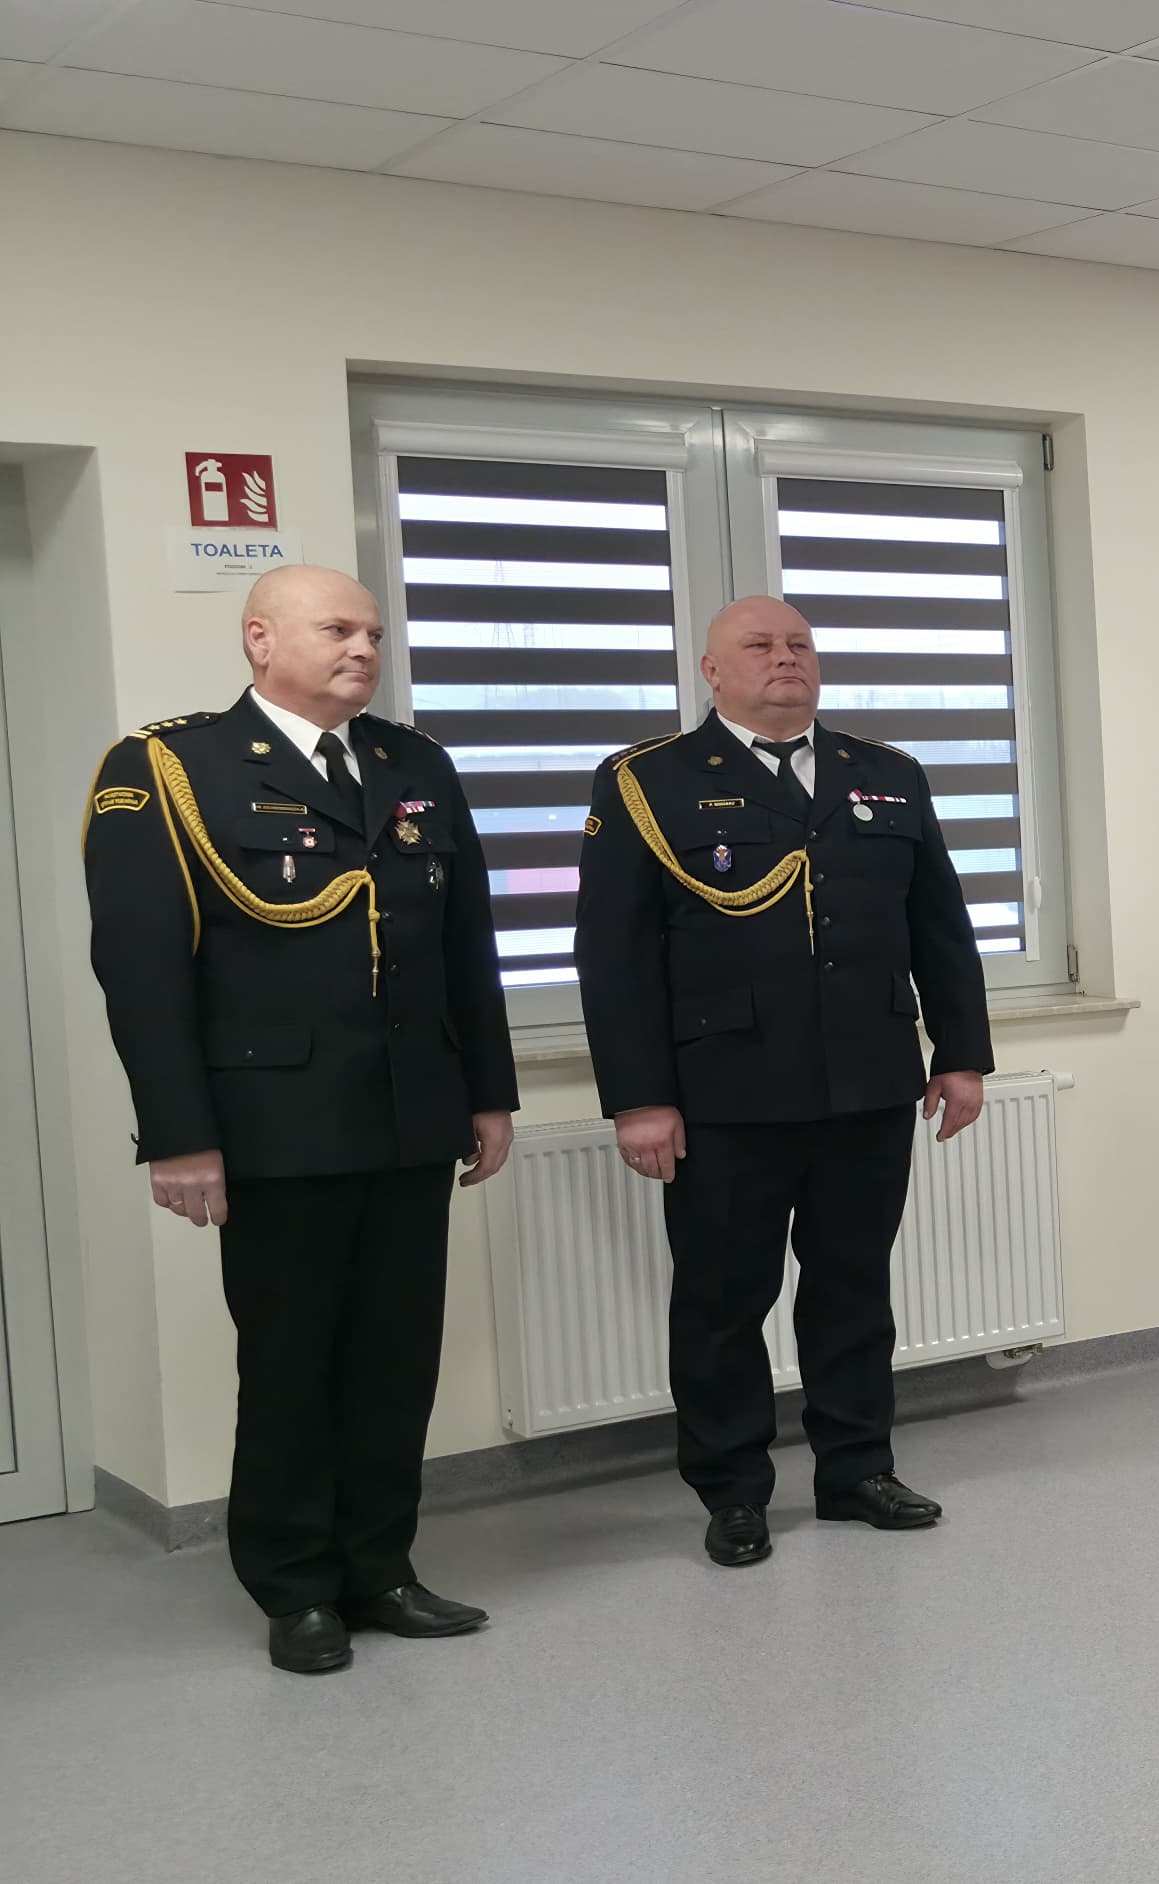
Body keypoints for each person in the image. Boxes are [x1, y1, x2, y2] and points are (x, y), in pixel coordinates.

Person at [82, 565, 515, 1673]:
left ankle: (381, 1569)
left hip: (411, 1115)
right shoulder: (168, 769)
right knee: (289, 1362)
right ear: (260, 640)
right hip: (275, 1124)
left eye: (372, 632)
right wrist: (177, 1134)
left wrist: (488, 1093)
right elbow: (141, 971)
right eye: (336, 629)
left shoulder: (415, 764)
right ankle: (295, 1587)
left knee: (395, 1359)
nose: (364, 648)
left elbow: (465, 946)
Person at [574, 597, 991, 1569]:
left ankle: (856, 1470)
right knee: (723, 1302)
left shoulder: (887, 775)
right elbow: (615, 955)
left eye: (799, 644)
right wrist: (639, 1098)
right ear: (712, 671)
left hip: (867, 1083)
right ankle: (732, 1491)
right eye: (759, 645)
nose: (785, 658)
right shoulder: (648, 781)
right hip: (725, 1093)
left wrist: (961, 1054)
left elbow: (940, 925)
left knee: (853, 1291)